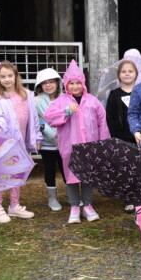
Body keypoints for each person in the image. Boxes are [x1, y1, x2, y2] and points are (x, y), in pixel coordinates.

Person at [44, 61, 110, 224]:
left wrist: (103, 145)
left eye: (78, 83)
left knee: (88, 176)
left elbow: (102, 123)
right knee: (72, 176)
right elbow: (49, 117)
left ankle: (87, 205)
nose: (75, 86)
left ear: (83, 83)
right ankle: (74, 206)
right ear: (66, 85)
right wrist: (66, 111)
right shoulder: (61, 101)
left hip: (90, 145)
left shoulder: (93, 102)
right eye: (71, 83)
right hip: (70, 146)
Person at [0, 61, 41, 223]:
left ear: (16, 76)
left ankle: (14, 205)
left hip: (21, 142)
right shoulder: (0, 98)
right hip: (5, 142)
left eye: (10, 76)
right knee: (1, 172)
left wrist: (37, 136)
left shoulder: (26, 95)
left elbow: (33, 118)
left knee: (17, 173)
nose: (7, 79)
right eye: (3, 77)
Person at [104, 58, 140, 213]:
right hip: (122, 137)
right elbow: (110, 117)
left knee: (139, 168)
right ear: (119, 75)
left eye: (130, 71)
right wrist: (116, 136)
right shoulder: (114, 94)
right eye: (124, 72)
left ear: (136, 74)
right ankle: (129, 199)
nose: (127, 74)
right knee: (126, 169)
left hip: (139, 136)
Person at [35, 68, 65, 211]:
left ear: (57, 83)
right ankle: (52, 198)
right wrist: (42, 132)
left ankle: (73, 196)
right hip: (47, 142)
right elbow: (35, 120)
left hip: (64, 141)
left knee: (67, 169)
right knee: (49, 169)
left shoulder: (65, 98)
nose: (48, 85)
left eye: (51, 82)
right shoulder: (37, 101)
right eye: (44, 83)